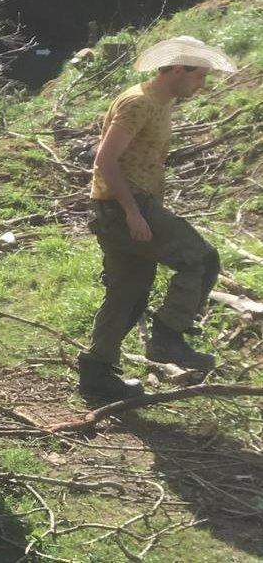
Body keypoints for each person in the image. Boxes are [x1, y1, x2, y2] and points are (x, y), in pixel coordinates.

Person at [76, 35, 237, 402]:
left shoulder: (161, 103)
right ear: (178, 70)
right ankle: (167, 338)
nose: (203, 84)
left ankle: (97, 374)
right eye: (199, 76)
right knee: (201, 258)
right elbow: (105, 159)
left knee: (127, 293)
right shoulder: (138, 102)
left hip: (126, 206)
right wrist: (134, 213)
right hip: (123, 208)